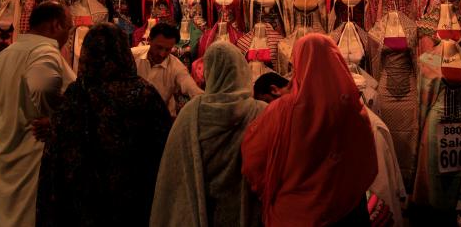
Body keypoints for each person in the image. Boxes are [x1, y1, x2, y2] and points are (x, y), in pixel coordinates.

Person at [37, 23, 172, 226]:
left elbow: (57, 152)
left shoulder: (77, 93)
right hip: (131, 202)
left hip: (83, 204)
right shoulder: (143, 94)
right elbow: (163, 149)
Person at [241, 34, 378, 226]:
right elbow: (367, 164)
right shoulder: (354, 112)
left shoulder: (281, 110)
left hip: (294, 215)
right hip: (347, 212)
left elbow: (254, 160)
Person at [150, 42, 267, 227]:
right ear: (241, 69)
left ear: (208, 72)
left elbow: (174, 177)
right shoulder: (261, 113)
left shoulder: (191, 114)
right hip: (247, 213)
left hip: (205, 210)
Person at [0, 1, 75, 227]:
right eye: (68, 28)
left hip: (6, 150)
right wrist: (52, 113)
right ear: (56, 25)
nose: (68, 35)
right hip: (33, 155)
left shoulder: (5, 55)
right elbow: (44, 86)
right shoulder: (44, 52)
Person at [132, 22, 203, 118]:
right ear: (149, 40)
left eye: (168, 50)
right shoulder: (132, 56)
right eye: (159, 47)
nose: (162, 54)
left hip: (162, 119)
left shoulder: (176, 67)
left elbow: (193, 90)